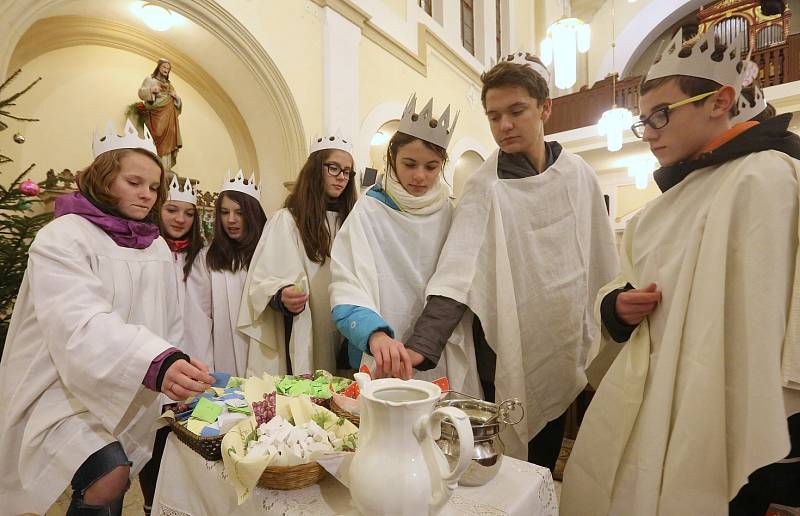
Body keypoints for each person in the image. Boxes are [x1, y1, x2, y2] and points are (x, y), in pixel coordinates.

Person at [560, 30, 800, 515]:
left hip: (733, 401)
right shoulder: (678, 195)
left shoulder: (770, 176)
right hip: (664, 395)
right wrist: (617, 307)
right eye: (642, 121)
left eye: (661, 115)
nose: (648, 131)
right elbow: (635, 277)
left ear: (721, 100)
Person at [402, 52, 619, 468]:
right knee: (509, 458)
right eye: (493, 115)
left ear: (544, 108)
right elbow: (457, 274)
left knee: (549, 451)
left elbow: (601, 261)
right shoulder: (486, 185)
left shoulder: (579, 176)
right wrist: (420, 346)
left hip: (566, 339)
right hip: (505, 350)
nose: (504, 125)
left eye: (516, 111)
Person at [0, 120, 213, 515]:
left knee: (119, 475)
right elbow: (77, 320)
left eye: (153, 187)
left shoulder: (155, 249)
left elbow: (170, 324)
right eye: (134, 182)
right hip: (58, 385)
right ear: (104, 178)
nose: (146, 195)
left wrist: (174, 373)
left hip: (125, 383)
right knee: (109, 472)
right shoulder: (65, 236)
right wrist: (154, 361)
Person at [329, 94, 480, 392]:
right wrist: (376, 335)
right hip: (382, 346)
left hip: (437, 349)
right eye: (409, 164)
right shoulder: (369, 210)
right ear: (391, 158)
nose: (420, 176)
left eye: (431, 166)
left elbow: (459, 281)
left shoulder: (451, 214)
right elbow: (347, 280)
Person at [240, 133, 357, 376]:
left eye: (347, 171)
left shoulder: (353, 223)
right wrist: (281, 294)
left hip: (345, 331)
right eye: (334, 168)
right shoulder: (287, 220)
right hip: (304, 327)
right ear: (315, 170)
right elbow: (262, 282)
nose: (342, 177)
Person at [138, 174, 204, 515]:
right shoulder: (145, 251)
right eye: (172, 210)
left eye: (189, 213)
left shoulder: (204, 257)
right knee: (155, 438)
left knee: (191, 439)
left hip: (196, 361)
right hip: (157, 361)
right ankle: (152, 504)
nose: (180, 219)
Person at [185, 171, 267, 377]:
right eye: (224, 212)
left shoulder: (267, 254)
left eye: (239, 213)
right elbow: (198, 319)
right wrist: (205, 372)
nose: (231, 220)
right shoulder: (207, 258)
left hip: (265, 354)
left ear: (253, 214)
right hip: (224, 360)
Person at [138, 58, 182, 170]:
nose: (166, 70)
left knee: (170, 137)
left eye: (168, 69)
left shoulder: (170, 85)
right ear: (159, 67)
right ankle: (155, 164)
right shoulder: (150, 79)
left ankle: (165, 167)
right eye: (164, 67)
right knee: (156, 133)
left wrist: (176, 98)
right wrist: (152, 90)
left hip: (170, 116)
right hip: (156, 114)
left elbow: (178, 105)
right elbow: (141, 92)